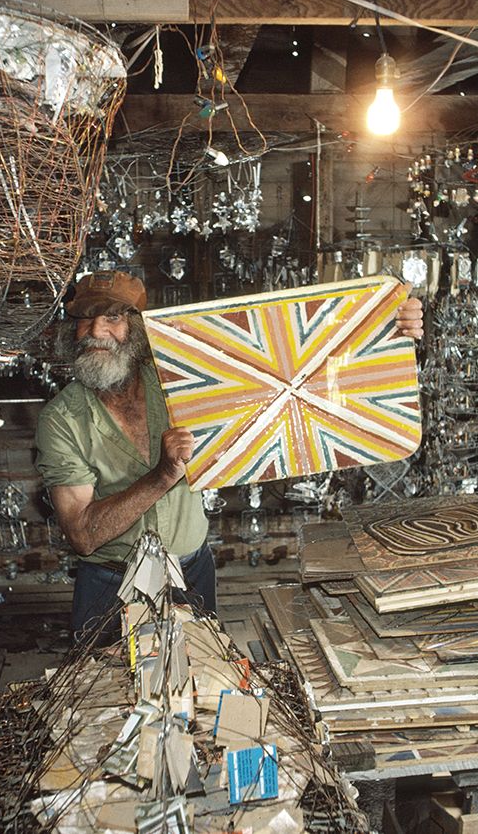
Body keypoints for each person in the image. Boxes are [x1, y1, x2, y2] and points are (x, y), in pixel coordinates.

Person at [35, 271, 425, 641]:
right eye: (84, 319)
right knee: (104, 700)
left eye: (113, 316)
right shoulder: (61, 420)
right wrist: (161, 477)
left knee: (201, 690)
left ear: (136, 328)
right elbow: (83, 535)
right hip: (109, 585)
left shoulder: (186, 380)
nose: (97, 331)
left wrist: (387, 326)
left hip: (191, 573)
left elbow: (306, 366)